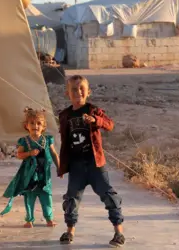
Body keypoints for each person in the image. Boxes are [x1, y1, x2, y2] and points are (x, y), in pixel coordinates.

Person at [58, 75, 125, 247]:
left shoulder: (93, 110)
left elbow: (110, 125)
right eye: (74, 89)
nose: (78, 92)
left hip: (96, 164)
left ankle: (118, 232)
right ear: (67, 93)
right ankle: (69, 231)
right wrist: (62, 165)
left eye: (82, 88)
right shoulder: (65, 115)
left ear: (89, 92)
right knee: (72, 199)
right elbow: (65, 141)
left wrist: (96, 121)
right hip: (76, 166)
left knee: (109, 196)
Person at [0, 107, 60, 228]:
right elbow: (19, 155)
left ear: (43, 126)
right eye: (32, 123)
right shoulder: (24, 141)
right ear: (26, 125)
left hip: (44, 176)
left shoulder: (47, 139)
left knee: (46, 197)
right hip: (29, 176)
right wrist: (29, 153)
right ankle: (29, 219)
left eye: (38, 123)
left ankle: (49, 219)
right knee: (29, 197)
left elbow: (53, 153)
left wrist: (59, 167)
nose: (35, 126)